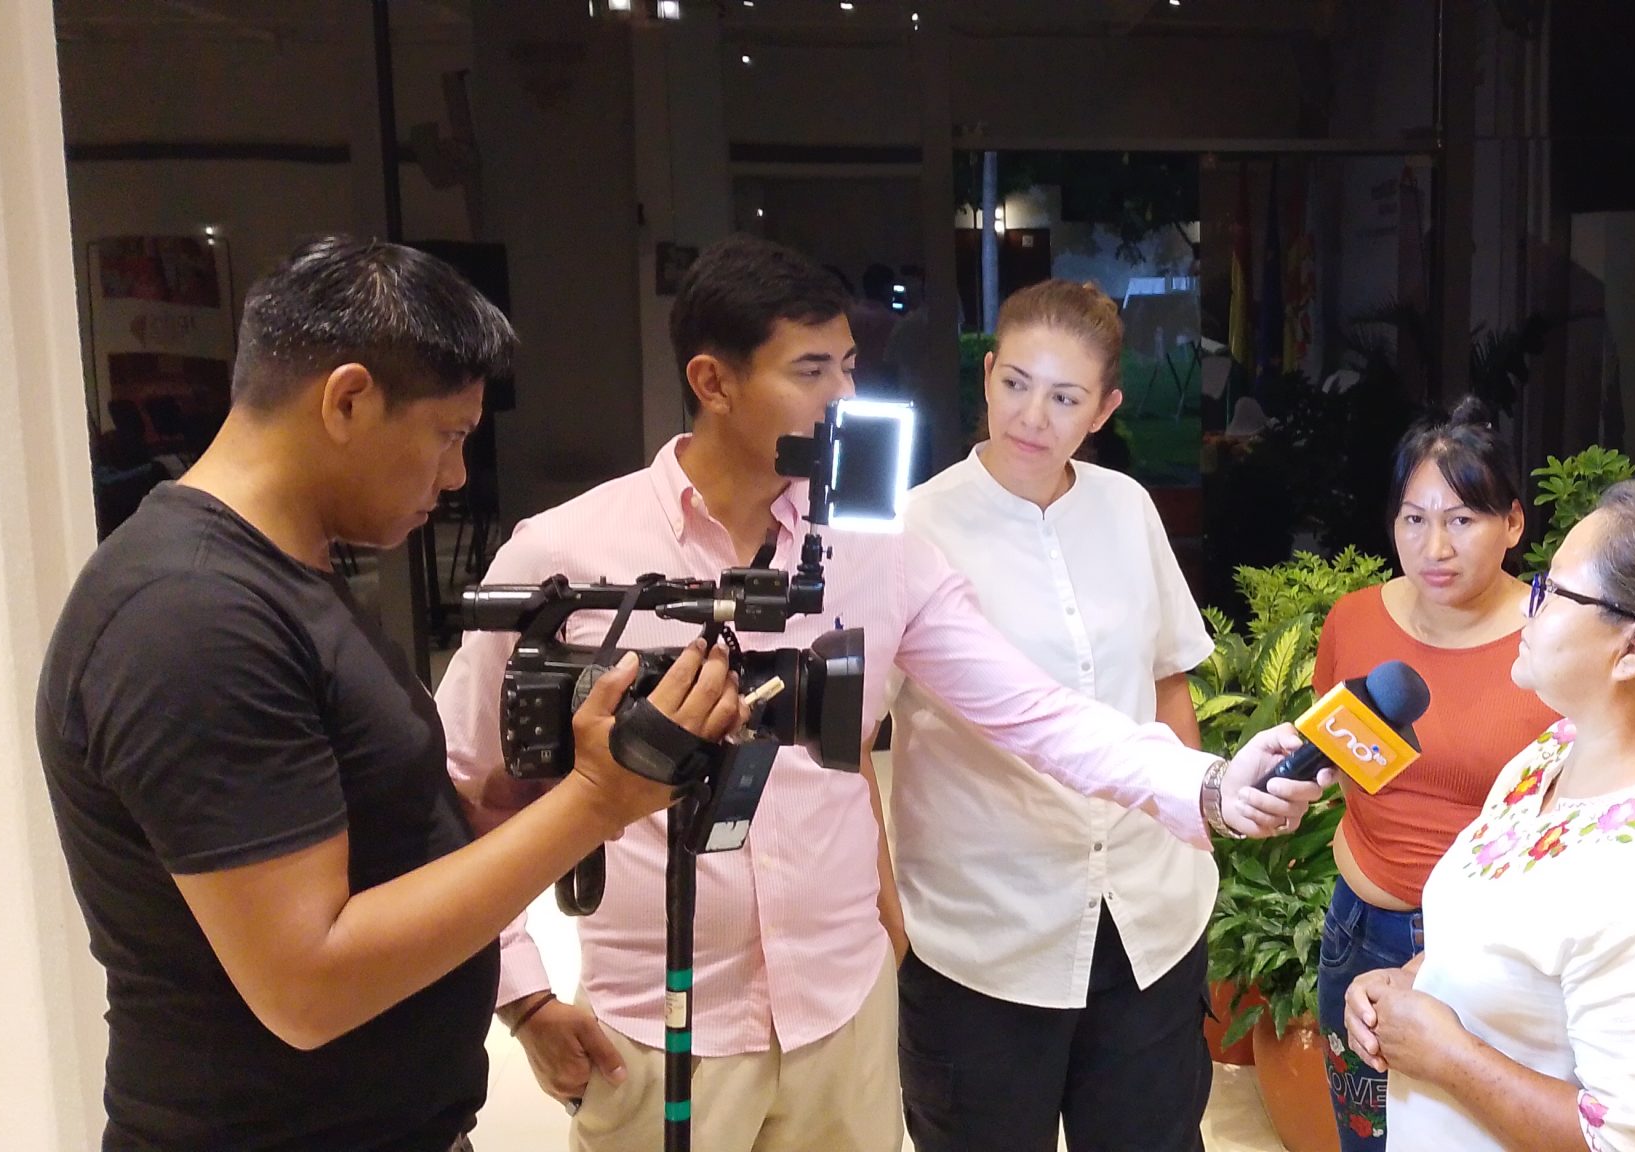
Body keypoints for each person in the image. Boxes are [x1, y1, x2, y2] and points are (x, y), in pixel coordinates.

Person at [438, 236, 1321, 1152]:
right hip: (663, 1021)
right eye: (811, 370)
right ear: (713, 381)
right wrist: (522, 993)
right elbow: (463, 788)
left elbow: (1034, 710)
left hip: (841, 1021)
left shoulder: (873, 549)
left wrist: (1206, 784)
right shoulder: (570, 554)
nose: (845, 398)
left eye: (850, 366)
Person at [36, 236, 741, 1152]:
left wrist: (500, 827)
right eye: (449, 436)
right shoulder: (193, 616)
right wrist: (597, 802)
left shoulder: (288, 574)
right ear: (348, 400)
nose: (455, 477)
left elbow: (370, 840)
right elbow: (309, 986)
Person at [1345, 480, 1635, 1151]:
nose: (1529, 607)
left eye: (1553, 592)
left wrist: (1448, 1056)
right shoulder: (1564, 745)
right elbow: (1527, 943)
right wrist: (1421, 983)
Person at [892, 280, 1216, 1151]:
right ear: (987, 373)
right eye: (1015, 383)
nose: (1032, 417)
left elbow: (1167, 680)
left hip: (1147, 918)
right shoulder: (917, 526)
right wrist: (889, 920)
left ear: (1104, 409)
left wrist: (1195, 838)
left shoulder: (1127, 508)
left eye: (1066, 397)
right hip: (987, 934)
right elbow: (847, 743)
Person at [1309, 399, 1561, 1149]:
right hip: (1359, 929)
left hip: (1497, 953)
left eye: (1462, 520)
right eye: (1413, 519)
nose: (1434, 547)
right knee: (1368, 1137)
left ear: (1512, 523)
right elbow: (1344, 759)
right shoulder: (1353, 622)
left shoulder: (1555, 645)